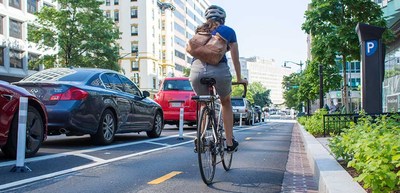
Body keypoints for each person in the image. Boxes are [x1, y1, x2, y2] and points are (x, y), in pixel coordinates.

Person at [189, 5, 247, 153]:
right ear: (223, 19)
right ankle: (229, 142)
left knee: (203, 103)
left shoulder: (200, 31)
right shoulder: (228, 31)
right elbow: (236, 60)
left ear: (207, 19)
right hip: (219, 70)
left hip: (196, 71)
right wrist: (240, 78)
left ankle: (200, 137)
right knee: (225, 102)